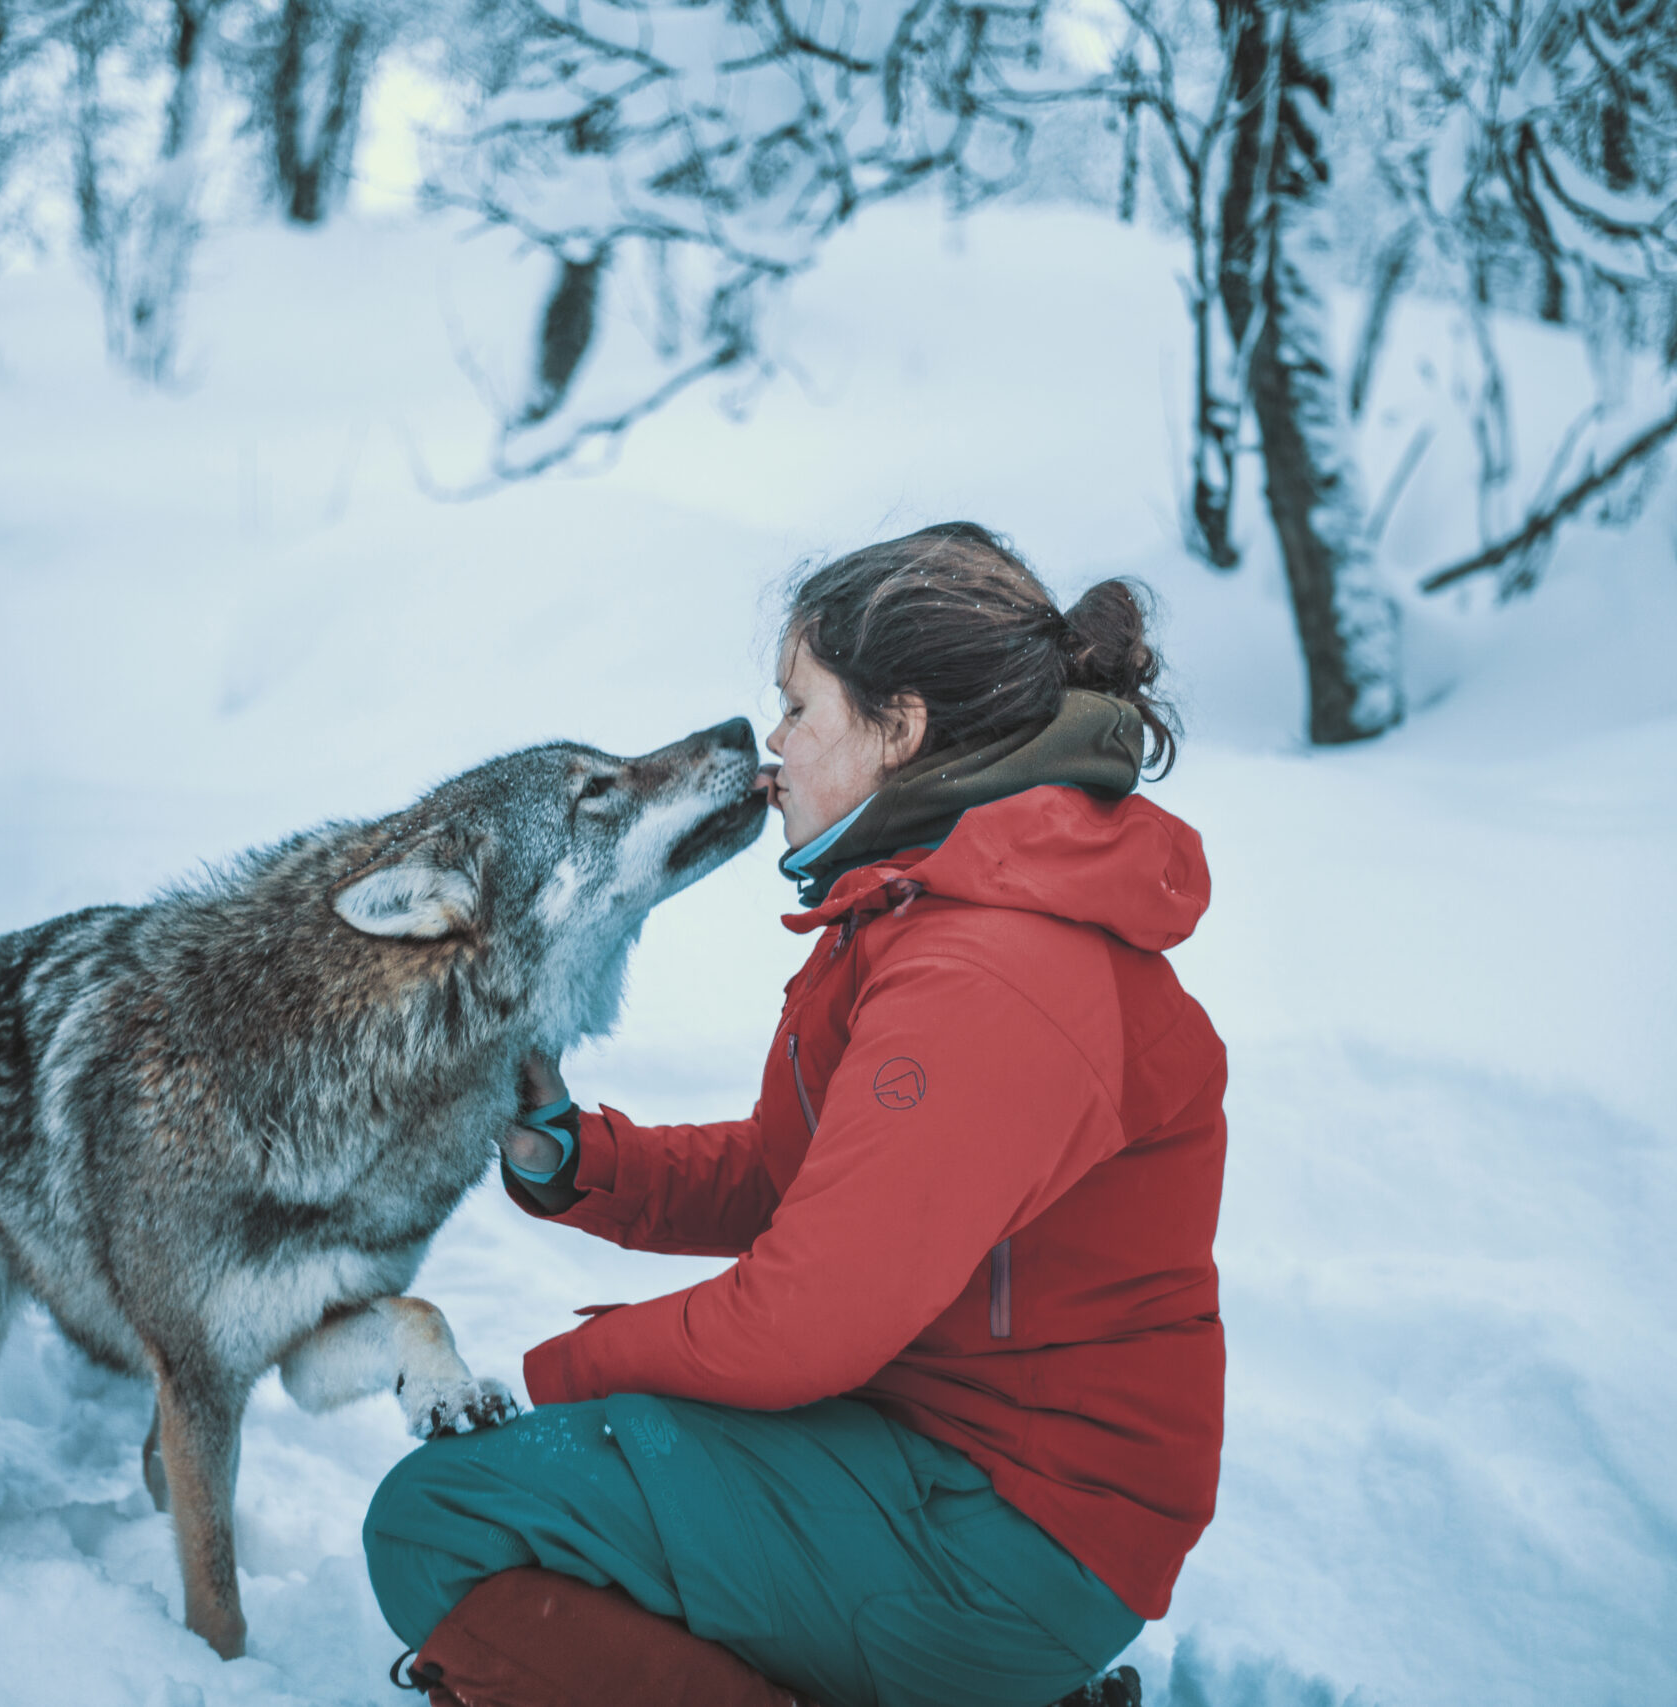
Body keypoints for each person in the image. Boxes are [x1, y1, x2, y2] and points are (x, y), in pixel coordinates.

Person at [363, 523, 1224, 1707]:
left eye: (800, 706)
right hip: (936, 1467)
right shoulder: (926, 910)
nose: (773, 743)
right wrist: (574, 1157)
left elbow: (801, 1325)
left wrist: (566, 1371)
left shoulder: (989, 972)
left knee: (446, 1520)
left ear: (901, 729)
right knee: (541, 1486)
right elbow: (803, 1186)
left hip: (1006, 1539)